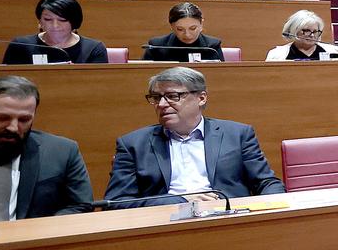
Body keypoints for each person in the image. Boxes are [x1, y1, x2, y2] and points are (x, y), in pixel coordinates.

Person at [104, 67, 287, 208]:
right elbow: (116, 202)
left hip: (228, 219)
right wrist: (179, 201)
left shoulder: (238, 134)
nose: (161, 104)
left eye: (172, 96)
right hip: (165, 225)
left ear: (201, 98)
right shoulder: (133, 144)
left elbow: (267, 183)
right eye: (156, 98)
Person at [0, 75, 91, 224]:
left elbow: (82, 205)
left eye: (24, 120)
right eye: (2, 118)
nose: (13, 128)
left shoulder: (63, 152)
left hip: (29, 242)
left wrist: (40, 231)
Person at [1, 0, 109, 64]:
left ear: (74, 21)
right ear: (40, 21)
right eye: (48, 19)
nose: (55, 26)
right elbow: (6, 82)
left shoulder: (93, 48)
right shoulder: (21, 45)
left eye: (62, 20)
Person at [143, 2, 226, 63]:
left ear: (201, 24)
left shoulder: (212, 46)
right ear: (171, 26)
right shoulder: (156, 46)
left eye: (193, 28)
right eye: (180, 29)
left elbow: (220, 76)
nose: (187, 34)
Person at [266, 10, 338, 61]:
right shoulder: (277, 55)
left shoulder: (334, 53)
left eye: (315, 32)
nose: (312, 35)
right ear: (294, 30)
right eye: (306, 31)